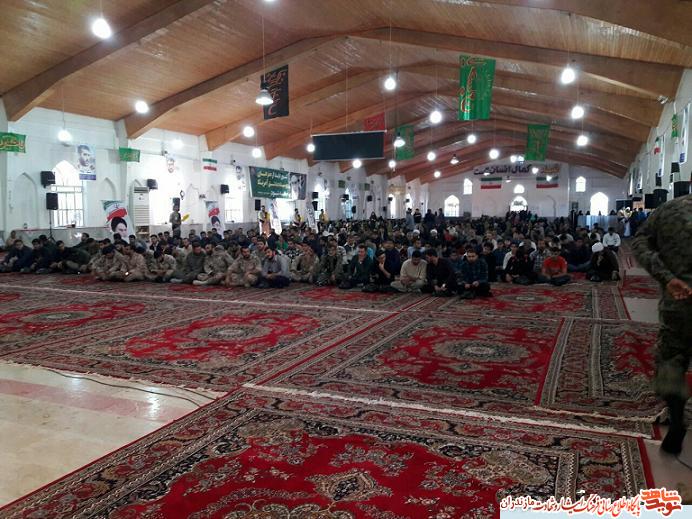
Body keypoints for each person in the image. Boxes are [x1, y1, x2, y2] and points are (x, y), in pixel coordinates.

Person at [632, 195, 692, 455]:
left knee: (671, 361)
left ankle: (677, 420)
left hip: (678, 301)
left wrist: (666, 277)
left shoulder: (670, 210)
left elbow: (639, 242)